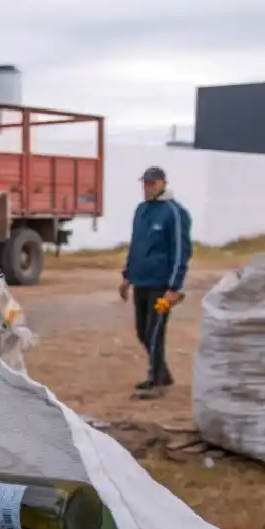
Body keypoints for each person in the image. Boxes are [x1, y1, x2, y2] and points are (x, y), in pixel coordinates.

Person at [119, 166, 193, 400]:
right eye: (145, 184)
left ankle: (156, 381)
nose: (147, 188)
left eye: (152, 184)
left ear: (162, 184)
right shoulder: (141, 211)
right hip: (141, 282)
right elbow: (136, 245)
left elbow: (182, 251)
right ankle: (162, 373)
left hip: (161, 287)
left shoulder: (175, 212)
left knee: (154, 331)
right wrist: (127, 276)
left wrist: (174, 287)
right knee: (142, 330)